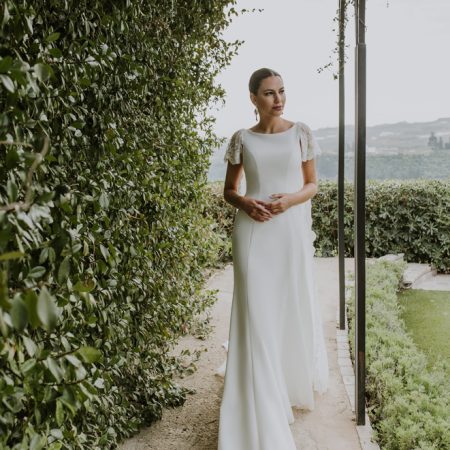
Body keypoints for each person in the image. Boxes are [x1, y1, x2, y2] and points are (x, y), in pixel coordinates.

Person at [216, 68, 329, 450]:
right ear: (253, 98)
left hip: (288, 233)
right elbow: (229, 191)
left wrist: (288, 200)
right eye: (269, 93)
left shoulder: (301, 133)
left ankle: (282, 387)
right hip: (251, 233)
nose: (278, 99)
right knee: (255, 314)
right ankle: (257, 403)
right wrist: (246, 202)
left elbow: (312, 184)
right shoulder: (241, 139)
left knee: (284, 308)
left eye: (282, 91)